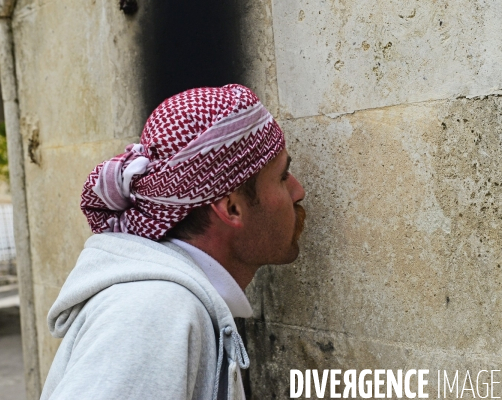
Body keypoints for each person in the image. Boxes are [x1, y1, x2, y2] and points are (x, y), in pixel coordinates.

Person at [40, 84, 306, 400]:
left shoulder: (165, 302)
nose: (298, 190)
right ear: (232, 207)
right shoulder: (155, 310)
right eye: (281, 176)